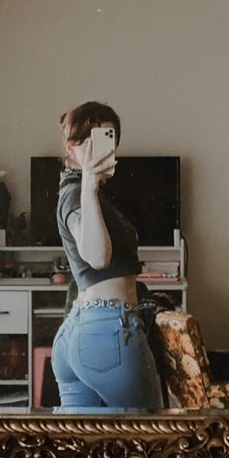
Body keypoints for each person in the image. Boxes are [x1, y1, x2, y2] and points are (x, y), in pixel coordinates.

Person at [51, 101, 164, 410]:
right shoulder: (76, 195)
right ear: (70, 147)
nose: (99, 150)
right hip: (108, 333)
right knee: (153, 433)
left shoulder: (81, 192)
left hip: (82, 332)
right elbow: (97, 257)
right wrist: (89, 185)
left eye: (106, 140)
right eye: (88, 141)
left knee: (83, 440)